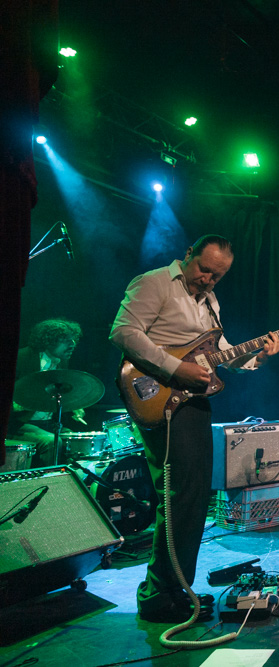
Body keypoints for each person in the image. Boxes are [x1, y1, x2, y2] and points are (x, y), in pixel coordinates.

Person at [110, 235, 279, 623]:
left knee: (192, 497)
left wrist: (259, 358)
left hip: (193, 400)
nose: (208, 280)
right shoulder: (154, 283)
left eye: (217, 277)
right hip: (159, 394)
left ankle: (176, 590)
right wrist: (176, 369)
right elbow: (123, 332)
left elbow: (220, 353)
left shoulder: (210, 302)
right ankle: (159, 596)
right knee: (179, 495)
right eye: (204, 269)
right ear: (188, 255)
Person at [0, 0, 60, 465]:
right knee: (44, 442)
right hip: (21, 425)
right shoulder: (24, 360)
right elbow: (20, 405)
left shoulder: (54, 367)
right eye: (66, 345)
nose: (70, 350)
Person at [9, 318, 87, 466]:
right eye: (66, 340)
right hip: (19, 424)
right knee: (52, 441)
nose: (73, 344)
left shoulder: (61, 361)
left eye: (73, 340)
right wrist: (16, 404)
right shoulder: (21, 358)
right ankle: (48, 485)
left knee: (77, 441)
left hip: (48, 423)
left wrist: (74, 404)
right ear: (48, 341)